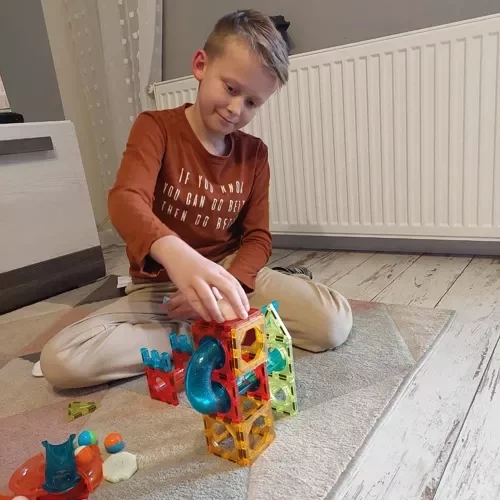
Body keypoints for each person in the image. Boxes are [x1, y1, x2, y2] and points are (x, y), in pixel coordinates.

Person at [39, 9, 353, 389]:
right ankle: (209, 331)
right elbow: (125, 200)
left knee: (333, 323)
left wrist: (226, 286)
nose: (236, 109)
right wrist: (177, 257)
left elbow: (257, 237)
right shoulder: (155, 127)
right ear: (201, 65)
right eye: (231, 89)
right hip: (162, 286)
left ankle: (212, 325)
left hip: (230, 277)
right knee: (62, 360)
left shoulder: (254, 154)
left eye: (253, 103)